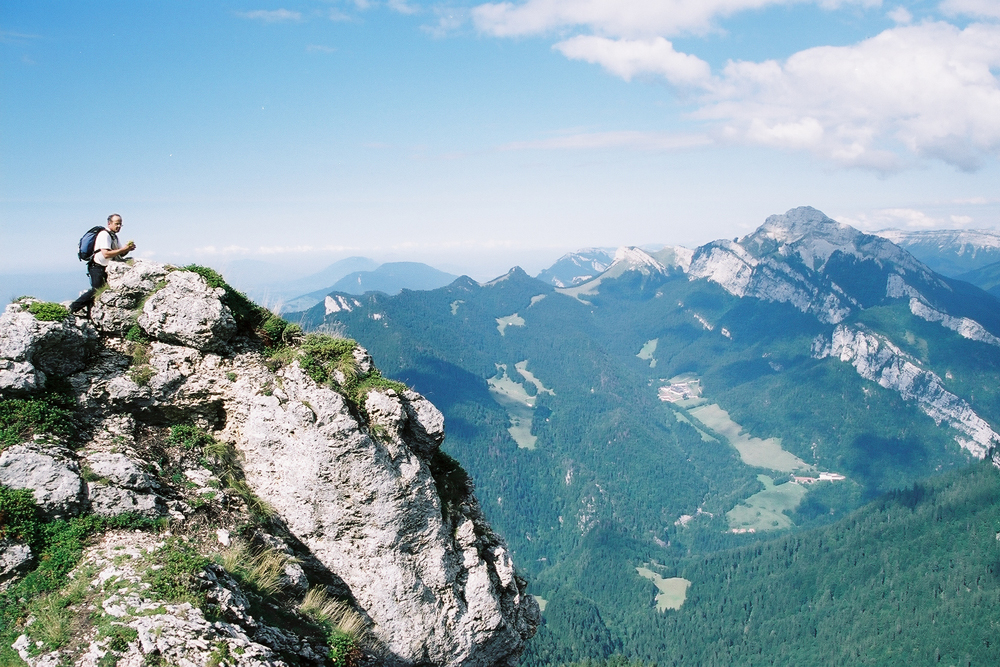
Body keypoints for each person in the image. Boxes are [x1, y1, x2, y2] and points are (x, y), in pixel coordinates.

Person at [69, 213, 136, 316]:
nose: (118, 226)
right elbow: (106, 254)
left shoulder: (113, 236)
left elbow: (120, 254)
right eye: (116, 224)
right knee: (97, 290)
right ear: (109, 223)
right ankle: (73, 307)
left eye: (120, 224)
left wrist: (127, 249)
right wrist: (123, 249)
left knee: (101, 291)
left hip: (105, 267)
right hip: (97, 267)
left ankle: (88, 312)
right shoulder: (104, 235)